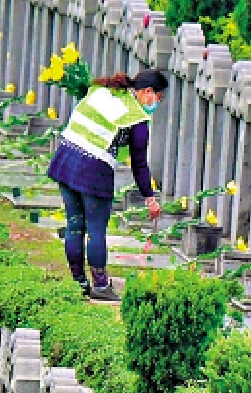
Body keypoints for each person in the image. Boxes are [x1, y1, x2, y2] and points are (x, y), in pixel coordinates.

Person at [45, 70, 168, 302]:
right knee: (95, 230)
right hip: (94, 168)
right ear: (147, 92)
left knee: (74, 225)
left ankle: (79, 283)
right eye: (158, 98)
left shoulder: (103, 90)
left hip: (66, 158)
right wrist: (150, 199)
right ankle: (101, 286)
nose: (156, 104)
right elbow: (139, 164)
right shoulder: (136, 119)